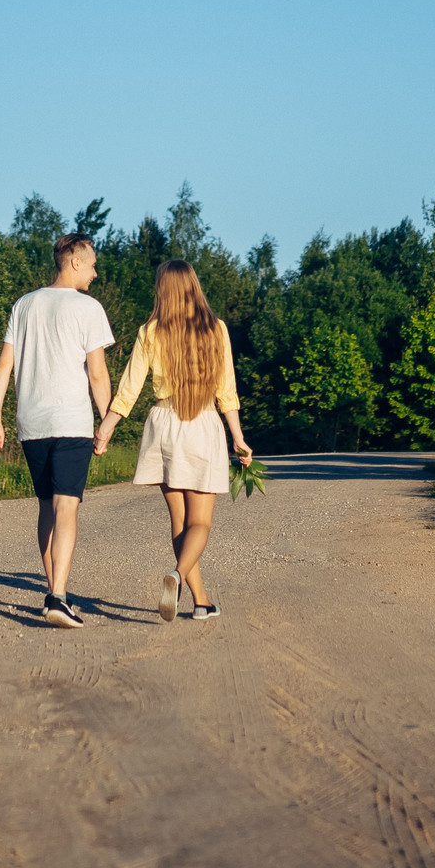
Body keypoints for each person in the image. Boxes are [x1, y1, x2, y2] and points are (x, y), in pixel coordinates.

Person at [94, 258, 254, 622]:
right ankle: (178, 577)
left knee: (179, 524)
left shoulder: (150, 330)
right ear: (194, 286)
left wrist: (106, 428)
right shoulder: (216, 329)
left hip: (163, 424)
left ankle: (201, 602)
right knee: (201, 524)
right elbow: (226, 390)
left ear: (162, 291)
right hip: (201, 425)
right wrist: (238, 437)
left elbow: (130, 387)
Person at [0, 231, 115, 627]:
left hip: (32, 422)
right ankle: (57, 595)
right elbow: (97, 374)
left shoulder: (24, 305)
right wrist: (107, 421)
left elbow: (4, 365)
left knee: (46, 507)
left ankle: (54, 589)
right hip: (70, 420)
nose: (95, 272)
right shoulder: (87, 308)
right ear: (74, 261)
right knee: (66, 505)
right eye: (92, 264)